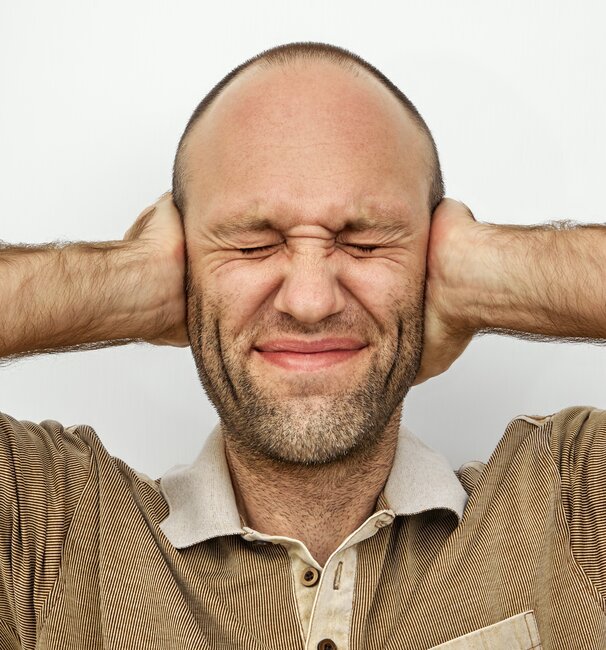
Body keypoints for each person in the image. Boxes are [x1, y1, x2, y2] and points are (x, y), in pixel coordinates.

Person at [0, 40, 604, 650]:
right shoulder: (45, 528)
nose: (311, 301)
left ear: (431, 259)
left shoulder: (569, 504)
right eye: (252, 245)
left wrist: (487, 271)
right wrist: (126, 280)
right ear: (184, 265)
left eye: (366, 242)